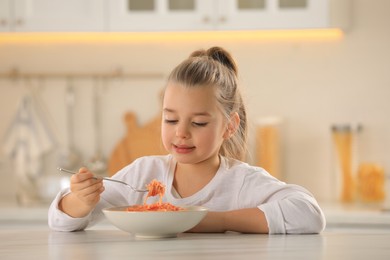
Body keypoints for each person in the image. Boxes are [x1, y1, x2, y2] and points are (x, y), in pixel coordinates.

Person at [48, 46, 326, 234]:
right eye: (170, 120)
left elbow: (309, 213)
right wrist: (80, 201)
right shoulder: (144, 175)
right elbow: (59, 222)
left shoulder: (241, 183)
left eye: (198, 123)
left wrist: (214, 220)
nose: (181, 132)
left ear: (229, 126)